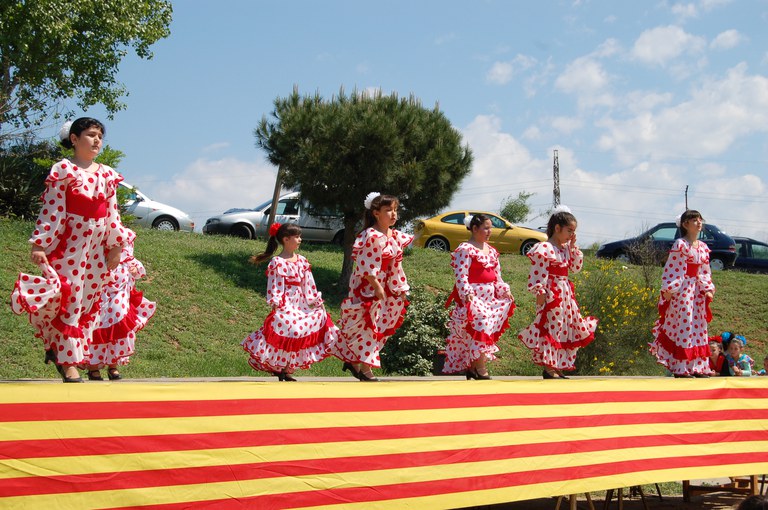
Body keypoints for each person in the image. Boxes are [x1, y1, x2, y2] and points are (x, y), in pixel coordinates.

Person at [11, 118, 127, 382]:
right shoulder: (64, 169)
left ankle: (62, 350)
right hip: (70, 246)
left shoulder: (107, 174)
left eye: (100, 136)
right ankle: (68, 362)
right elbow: (53, 209)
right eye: (90, 135)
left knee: (87, 302)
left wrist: (115, 246)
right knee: (70, 299)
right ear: (74, 139)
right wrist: (40, 243)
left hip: (96, 249)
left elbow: (113, 214)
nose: (96, 140)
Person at [241, 222, 339, 381]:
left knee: (301, 331)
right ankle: (279, 366)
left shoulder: (302, 261)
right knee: (290, 330)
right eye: (297, 237)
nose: (300, 239)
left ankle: (287, 369)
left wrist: (316, 301)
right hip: (286, 303)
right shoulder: (277, 262)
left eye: (300, 236)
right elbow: (275, 283)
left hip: (301, 303)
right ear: (286, 239)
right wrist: (276, 301)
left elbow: (308, 283)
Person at [333, 192, 412, 382]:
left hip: (386, 285)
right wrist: (376, 286)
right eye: (388, 210)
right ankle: (365, 368)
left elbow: (396, 265)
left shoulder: (394, 236)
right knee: (369, 325)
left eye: (395, 210)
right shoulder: (371, 235)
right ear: (376, 213)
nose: (394, 214)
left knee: (382, 323)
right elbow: (366, 266)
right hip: (368, 286)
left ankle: (354, 361)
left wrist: (400, 288)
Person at [518, 205, 597, 379]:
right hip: (551, 293)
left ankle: (557, 365)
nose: (571, 235)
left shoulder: (566, 248)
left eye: (573, 232)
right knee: (552, 326)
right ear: (557, 228)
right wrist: (540, 292)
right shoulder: (545, 248)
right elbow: (538, 271)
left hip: (565, 293)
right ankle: (549, 367)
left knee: (565, 327)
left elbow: (575, 268)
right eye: (569, 231)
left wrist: (573, 247)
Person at [443, 214, 515, 379]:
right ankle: (481, 367)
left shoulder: (492, 251)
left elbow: (497, 276)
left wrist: (504, 290)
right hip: (473, 296)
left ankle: (473, 367)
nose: (490, 232)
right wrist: (466, 293)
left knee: (483, 329)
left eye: (491, 228)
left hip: (489, 297)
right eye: (486, 228)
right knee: (482, 324)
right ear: (475, 229)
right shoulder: (465, 249)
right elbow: (461, 274)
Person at [649, 210, 714, 378]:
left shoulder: (703, 247)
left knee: (698, 325)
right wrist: (670, 289)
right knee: (685, 324)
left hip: (697, 291)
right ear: (685, 224)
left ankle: (698, 366)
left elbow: (705, 271)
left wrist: (707, 288)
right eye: (695, 220)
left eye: (700, 219)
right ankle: (681, 366)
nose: (699, 223)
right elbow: (673, 268)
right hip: (684, 289)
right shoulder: (681, 244)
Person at [88, 228, 156, 380]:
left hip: (121, 292)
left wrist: (134, 269)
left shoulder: (127, 238)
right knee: (97, 325)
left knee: (119, 326)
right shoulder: (101, 235)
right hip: (101, 290)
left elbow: (135, 265)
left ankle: (113, 365)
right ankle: (93, 367)